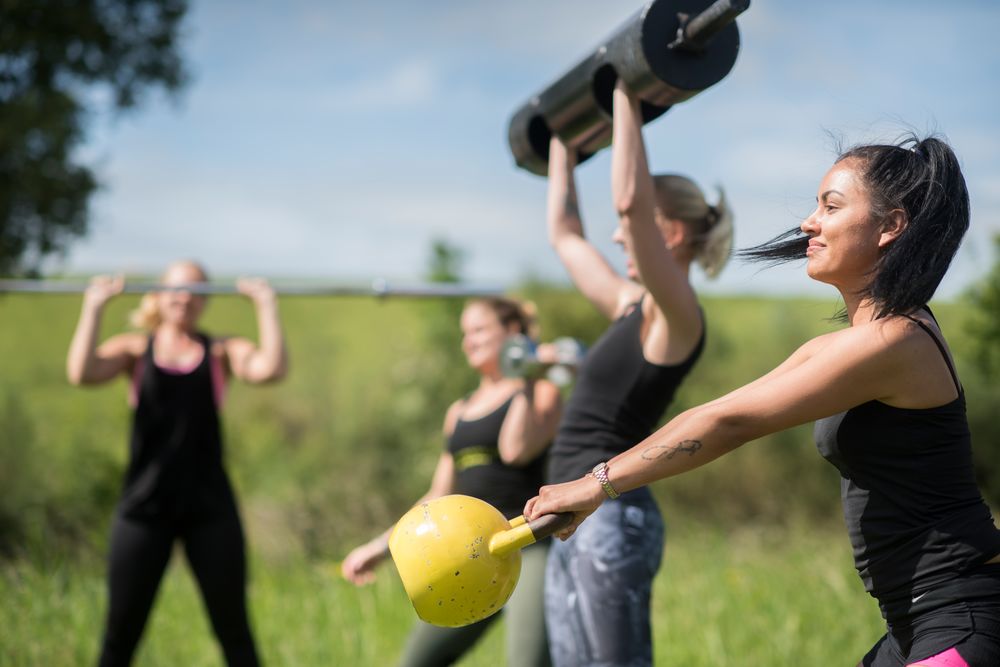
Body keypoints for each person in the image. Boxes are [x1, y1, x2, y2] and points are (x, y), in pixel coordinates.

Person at [525, 133, 1000, 667]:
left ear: (891, 226)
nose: (808, 223)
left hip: (959, 616)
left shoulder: (897, 342)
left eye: (831, 206)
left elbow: (730, 423)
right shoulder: (846, 346)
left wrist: (596, 485)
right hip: (915, 622)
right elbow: (718, 412)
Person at [540, 78, 734, 666]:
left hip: (613, 517)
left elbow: (629, 204)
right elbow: (565, 235)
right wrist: (560, 144)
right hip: (573, 516)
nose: (619, 233)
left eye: (638, 226)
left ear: (669, 233)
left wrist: (625, 91)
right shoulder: (632, 306)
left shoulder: (678, 318)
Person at [66, 260, 288, 667]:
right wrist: (93, 307)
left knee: (235, 633)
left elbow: (270, 369)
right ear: (159, 294)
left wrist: (266, 306)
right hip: (144, 509)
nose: (185, 298)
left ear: (204, 301)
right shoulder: (136, 350)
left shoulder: (219, 351)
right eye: (177, 289)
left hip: (210, 510)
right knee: (120, 636)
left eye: (196, 291)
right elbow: (82, 373)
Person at [340, 297, 563, 667]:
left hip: (526, 542)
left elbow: (515, 450)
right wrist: (381, 547)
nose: (467, 342)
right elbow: (437, 497)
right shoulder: (458, 411)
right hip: (465, 553)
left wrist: (524, 372)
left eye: (477, 330)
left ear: (511, 333)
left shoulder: (542, 393)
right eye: (465, 333)